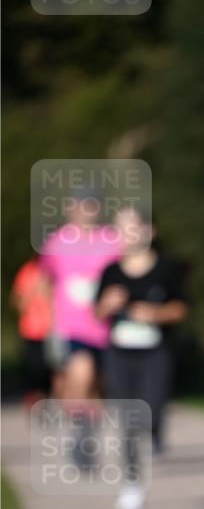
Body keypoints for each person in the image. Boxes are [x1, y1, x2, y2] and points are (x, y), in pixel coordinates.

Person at [95, 207, 189, 509]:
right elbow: (96, 313)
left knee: (153, 408)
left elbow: (182, 309)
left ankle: (157, 433)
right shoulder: (110, 271)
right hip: (119, 353)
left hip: (156, 352)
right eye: (120, 228)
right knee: (128, 421)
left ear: (149, 231)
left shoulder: (167, 269)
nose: (127, 234)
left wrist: (154, 314)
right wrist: (107, 305)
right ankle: (132, 486)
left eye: (133, 227)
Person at [39, 188, 121, 468]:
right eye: (79, 205)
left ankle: (87, 433)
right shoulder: (56, 242)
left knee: (98, 386)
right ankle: (78, 431)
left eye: (90, 206)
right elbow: (45, 281)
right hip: (71, 326)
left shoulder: (112, 240)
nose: (85, 211)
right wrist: (48, 319)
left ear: (98, 208)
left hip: (107, 328)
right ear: (69, 208)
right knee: (80, 374)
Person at [10, 256, 53, 405]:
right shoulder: (27, 270)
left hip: (53, 330)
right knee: (36, 370)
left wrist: (49, 290)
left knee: (55, 371)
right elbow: (17, 302)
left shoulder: (57, 268)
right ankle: (36, 399)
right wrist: (34, 291)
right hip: (32, 330)